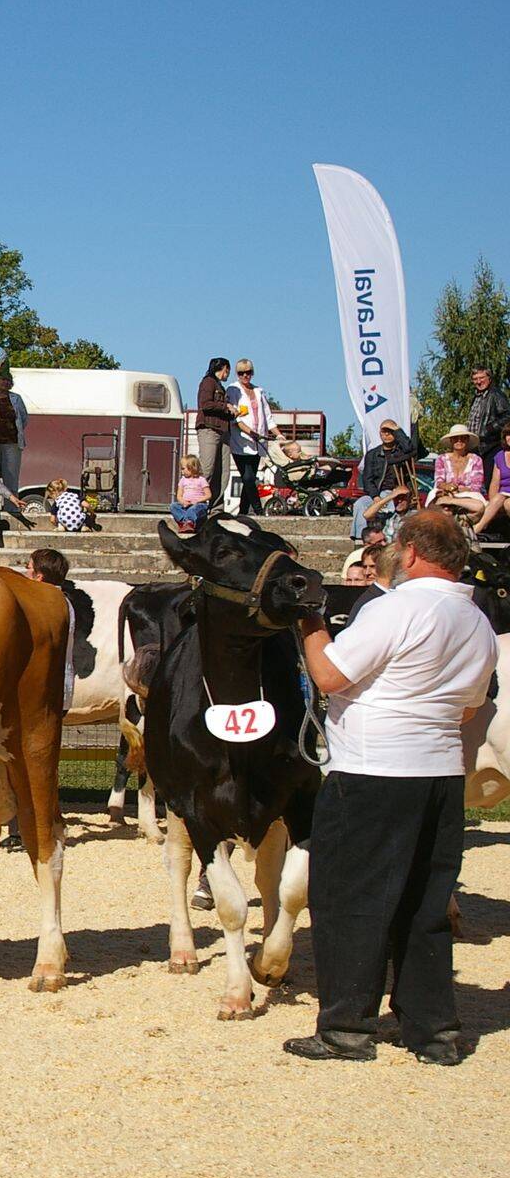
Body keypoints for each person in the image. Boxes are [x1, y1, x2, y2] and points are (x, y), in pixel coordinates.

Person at [289, 509, 495, 1066]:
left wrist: (311, 624)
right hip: (440, 771)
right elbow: (472, 704)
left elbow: (330, 676)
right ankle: (434, 1032)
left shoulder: (396, 607)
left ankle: (346, 1029)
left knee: (348, 898)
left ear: (408, 552)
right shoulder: (476, 620)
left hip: (373, 770)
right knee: (424, 902)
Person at [226, 359, 282, 517]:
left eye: (248, 372)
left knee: (248, 480)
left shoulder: (259, 391)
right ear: (237, 374)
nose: (245, 376)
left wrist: (279, 435)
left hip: (258, 443)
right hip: (241, 443)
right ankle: (259, 511)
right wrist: (250, 432)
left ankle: (242, 513)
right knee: (248, 478)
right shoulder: (233, 390)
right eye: (241, 373)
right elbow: (234, 418)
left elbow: (268, 416)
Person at [353, 419, 418, 539]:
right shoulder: (372, 454)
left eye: (390, 431)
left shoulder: (402, 451)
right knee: (359, 504)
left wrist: (397, 429)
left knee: (391, 506)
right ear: (379, 433)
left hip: (395, 492)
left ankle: (388, 536)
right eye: (384, 432)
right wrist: (375, 496)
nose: (387, 435)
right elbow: (367, 479)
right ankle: (361, 539)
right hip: (376, 494)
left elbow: (411, 448)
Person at [194, 357, 235, 508]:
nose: (228, 374)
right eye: (228, 370)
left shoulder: (220, 386)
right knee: (207, 468)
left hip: (223, 430)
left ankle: (216, 507)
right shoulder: (208, 382)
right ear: (224, 368)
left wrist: (232, 413)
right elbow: (205, 404)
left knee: (223, 472)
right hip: (209, 429)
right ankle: (194, 503)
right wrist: (226, 407)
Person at [427, 424, 486, 522]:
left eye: (463, 438)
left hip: (468, 496)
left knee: (479, 507)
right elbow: (439, 482)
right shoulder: (441, 459)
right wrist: (448, 488)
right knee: (432, 499)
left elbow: (476, 486)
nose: (459, 441)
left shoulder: (476, 459)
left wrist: (456, 492)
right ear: (451, 441)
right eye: (455, 438)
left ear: (467, 440)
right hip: (445, 494)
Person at [467, 366, 509, 488]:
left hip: (490, 446)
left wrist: (489, 429)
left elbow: (507, 416)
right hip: (477, 446)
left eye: (481, 378)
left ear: (489, 379)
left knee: (491, 481)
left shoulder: (495, 394)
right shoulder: (477, 396)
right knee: (475, 481)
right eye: (475, 379)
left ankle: (495, 506)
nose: (478, 381)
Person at [172, 453, 210, 531]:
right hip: (186, 505)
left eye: (183, 468)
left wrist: (197, 501)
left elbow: (208, 495)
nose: (182, 471)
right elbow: (179, 495)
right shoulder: (183, 480)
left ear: (192, 468)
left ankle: (188, 522)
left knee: (194, 509)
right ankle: (186, 522)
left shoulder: (201, 480)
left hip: (198, 504)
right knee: (173, 506)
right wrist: (183, 502)